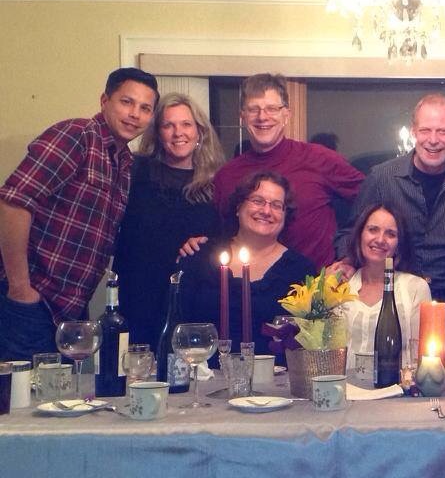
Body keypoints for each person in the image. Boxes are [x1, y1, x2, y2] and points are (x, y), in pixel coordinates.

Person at [0, 67, 158, 361]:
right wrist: (20, 288)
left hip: (67, 312)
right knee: (18, 390)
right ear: (105, 101)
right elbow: (13, 202)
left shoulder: (124, 162)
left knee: (57, 390)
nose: (134, 114)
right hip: (31, 302)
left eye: (145, 108)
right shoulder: (76, 135)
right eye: (126, 102)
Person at [333, 93, 445, 330]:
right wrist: (348, 261)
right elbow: (349, 234)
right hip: (395, 299)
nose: (433, 140)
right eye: (425, 130)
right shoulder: (382, 178)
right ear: (413, 132)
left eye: (443, 131)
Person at [186, 73, 365, 268]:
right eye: (253, 109)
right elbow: (220, 236)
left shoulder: (320, 159)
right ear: (242, 116)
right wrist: (198, 244)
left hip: (315, 283)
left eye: (272, 108)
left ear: (286, 114)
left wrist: (350, 255)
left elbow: (373, 201)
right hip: (247, 283)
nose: (262, 117)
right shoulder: (226, 176)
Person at [112, 92, 224, 347]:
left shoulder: (216, 182)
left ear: (199, 132)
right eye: (168, 125)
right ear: (158, 133)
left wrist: (206, 244)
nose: (178, 132)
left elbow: (226, 238)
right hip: (139, 292)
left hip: (191, 296)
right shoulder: (135, 171)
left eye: (186, 124)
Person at [179, 171, 314, 365]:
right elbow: (178, 322)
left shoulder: (301, 271)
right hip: (203, 376)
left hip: (274, 379)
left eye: (276, 205)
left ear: (285, 215)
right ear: (238, 207)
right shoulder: (201, 256)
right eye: (258, 201)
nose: (266, 211)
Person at [340, 204, 431, 369]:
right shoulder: (340, 285)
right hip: (346, 383)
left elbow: (423, 357)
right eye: (373, 230)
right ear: (360, 234)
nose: (380, 239)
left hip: (398, 384)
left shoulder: (416, 288)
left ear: (399, 243)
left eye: (391, 234)